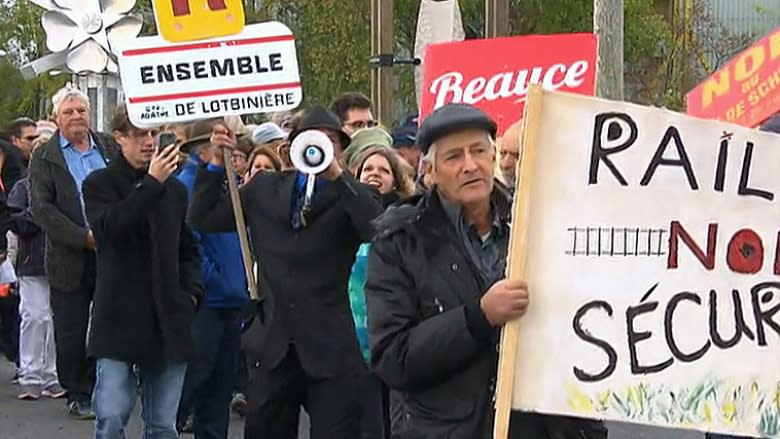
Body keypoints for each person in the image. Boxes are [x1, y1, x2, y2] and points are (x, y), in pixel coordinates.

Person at [364, 104, 608, 439]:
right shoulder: (400, 241)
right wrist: (478, 317)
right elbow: (394, 357)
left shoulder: (539, 223)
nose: (470, 165)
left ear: (493, 157)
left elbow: (577, 331)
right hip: (445, 429)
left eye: (479, 151)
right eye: (454, 157)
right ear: (430, 172)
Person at [189, 105, 383, 439]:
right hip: (272, 343)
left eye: (330, 142)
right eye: (310, 140)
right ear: (290, 148)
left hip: (331, 348)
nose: (318, 147)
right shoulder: (264, 188)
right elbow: (203, 218)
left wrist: (337, 174)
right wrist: (215, 166)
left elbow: (376, 228)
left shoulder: (351, 195)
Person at [82, 105, 202, 438]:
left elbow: (187, 249)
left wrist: (191, 294)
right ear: (119, 137)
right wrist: (150, 183)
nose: (149, 142)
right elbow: (109, 230)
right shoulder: (99, 183)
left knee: (163, 425)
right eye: (139, 135)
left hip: (168, 316)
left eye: (153, 133)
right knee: (110, 416)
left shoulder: (175, 190)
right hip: (118, 317)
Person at [29, 85, 115, 419]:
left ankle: (102, 385)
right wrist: (84, 238)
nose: (77, 116)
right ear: (56, 118)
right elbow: (42, 209)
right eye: (69, 111)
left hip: (111, 252)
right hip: (70, 256)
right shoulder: (45, 156)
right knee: (71, 327)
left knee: (108, 322)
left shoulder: (108, 146)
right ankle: (77, 393)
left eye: (81, 110)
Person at [175, 119, 249, 439]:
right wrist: (215, 282)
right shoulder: (186, 186)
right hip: (207, 303)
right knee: (189, 385)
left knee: (217, 394)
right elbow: (189, 245)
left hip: (232, 301)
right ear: (205, 149)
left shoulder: (229, 185)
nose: (235, 151)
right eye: (226, 145)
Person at [348, 146, 414, 439]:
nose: (375, 174)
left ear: (396, 180)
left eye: (383, 170)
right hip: (351, 336)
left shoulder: (409, 217)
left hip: (393, 332)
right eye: (368, 169)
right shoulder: (341, 214)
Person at [8, 154, 64, 400]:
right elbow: (14, 219)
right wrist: (43, 217)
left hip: (61, 260)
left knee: (54, 318)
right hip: (32, 262)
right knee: (34, 316)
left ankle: (53, 375)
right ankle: (30, 374)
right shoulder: (23, 187)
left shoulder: (64, 185)